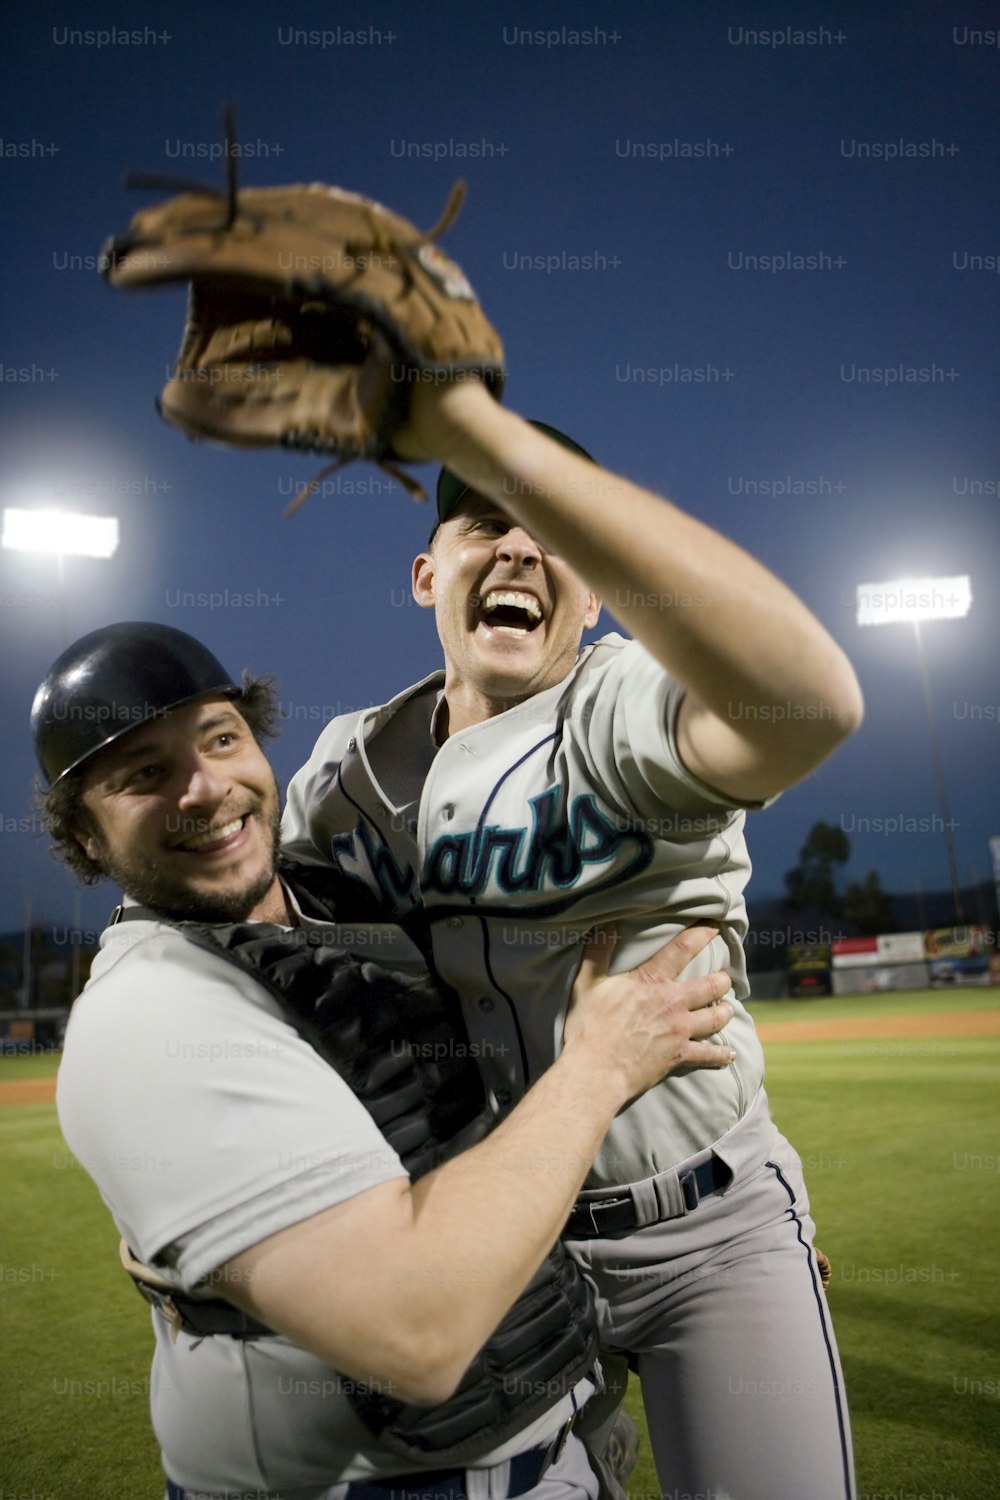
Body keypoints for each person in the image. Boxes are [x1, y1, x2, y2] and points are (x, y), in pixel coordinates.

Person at [283, 381, 865, 1500]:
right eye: (481, 524)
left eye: (549, 534)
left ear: (594, 596)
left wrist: (479, 434)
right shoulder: (347, 776)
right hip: (505, 1246)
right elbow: (248, 947)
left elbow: (810, 706)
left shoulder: (621, 710)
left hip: (711, 1232)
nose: (517, 548)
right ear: (423, 578)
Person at [35, 620, 737, 1500]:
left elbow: (474, 1134)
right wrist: (600, 1065)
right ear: (88, 839)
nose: (205, 789)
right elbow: (418, 1332)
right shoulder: (147, 1016)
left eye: (221, 739)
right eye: (145, 774)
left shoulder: (336, 897)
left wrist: (733, 1233)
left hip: (548, 1439)